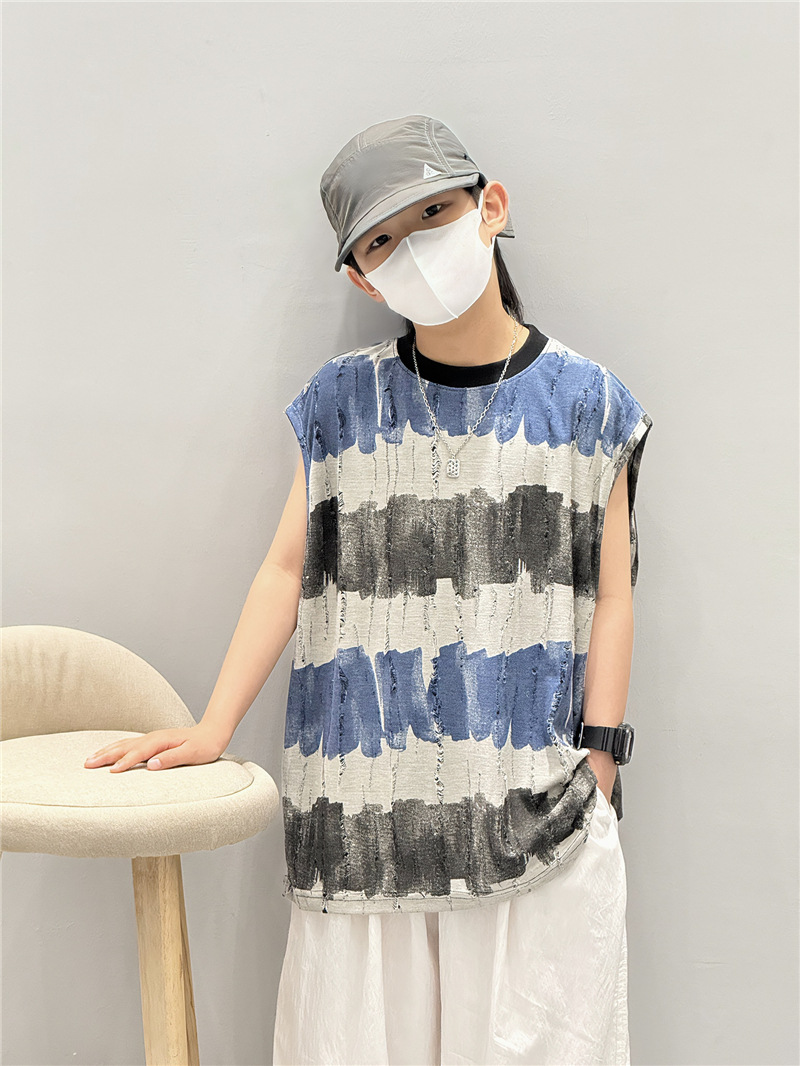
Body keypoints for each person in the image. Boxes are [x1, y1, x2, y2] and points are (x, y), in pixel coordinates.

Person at [84, 114, 653, 1066]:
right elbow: (286, 568)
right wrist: (214, 726)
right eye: (381, 241)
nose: (413, 249)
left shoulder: (592, 405)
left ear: (491, 207)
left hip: (535, 818)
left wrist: (601, 759)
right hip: (362, 820)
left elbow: (614, 592)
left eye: (432, 214)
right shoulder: (339, 404)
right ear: (361, 279)